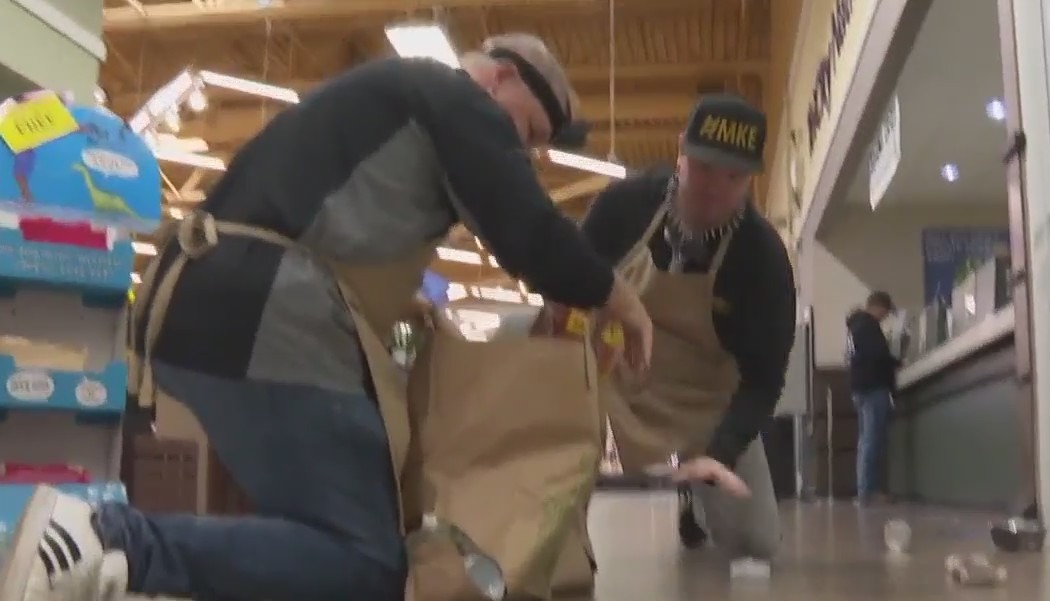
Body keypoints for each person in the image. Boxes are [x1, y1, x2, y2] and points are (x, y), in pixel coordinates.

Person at [0, 34, 658, 601]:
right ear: (501, 77)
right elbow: (529, 229)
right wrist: (619, 298)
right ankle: (113, 539)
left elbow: (322, 216)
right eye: (528, 131)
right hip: (266, 310)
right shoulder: (451, 95)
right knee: (364, 553)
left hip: (202, 300)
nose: (524, 152)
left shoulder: (384, 108)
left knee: (297, 531)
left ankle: (104, 554)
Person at [576, 94, 796, 559]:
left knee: (755, 544)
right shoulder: (623, 207)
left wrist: (720, 453)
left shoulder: (762, 261)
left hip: (703, 403)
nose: (715, 189)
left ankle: (694, 503)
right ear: (680, 151)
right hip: (613, 377)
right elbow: (568, 279)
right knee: (520, 332)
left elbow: (763, 381)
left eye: (734, 177)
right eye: (704, 168)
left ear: (751, 179)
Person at [845, 291, 899, 506]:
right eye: (885, 312)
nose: (885, 317)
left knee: (866, 441)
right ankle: (868, 492)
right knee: (872, 441)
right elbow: (878, 355)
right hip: (872, 387)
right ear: (878, 307)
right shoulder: (867, 326)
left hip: (859, 388)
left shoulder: (855, 326)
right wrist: (895, 362)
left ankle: (865, 490)